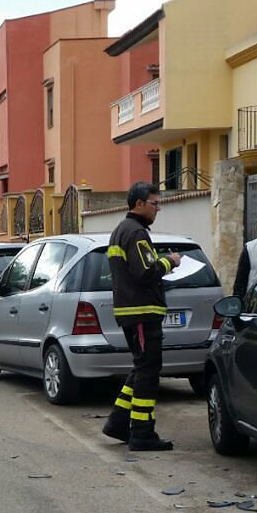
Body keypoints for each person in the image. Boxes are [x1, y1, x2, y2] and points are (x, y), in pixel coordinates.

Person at [100, 182, 182, 451]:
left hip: (133, 312)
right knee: (148, 372)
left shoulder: (122, 230)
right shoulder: (136, 232)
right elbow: (145, 272)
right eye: (155, 203)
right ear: (139, 204)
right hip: (142, 313)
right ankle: (142, 432)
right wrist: (170, 262)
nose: (158, 208)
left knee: (141, 368)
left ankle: (118, 422)